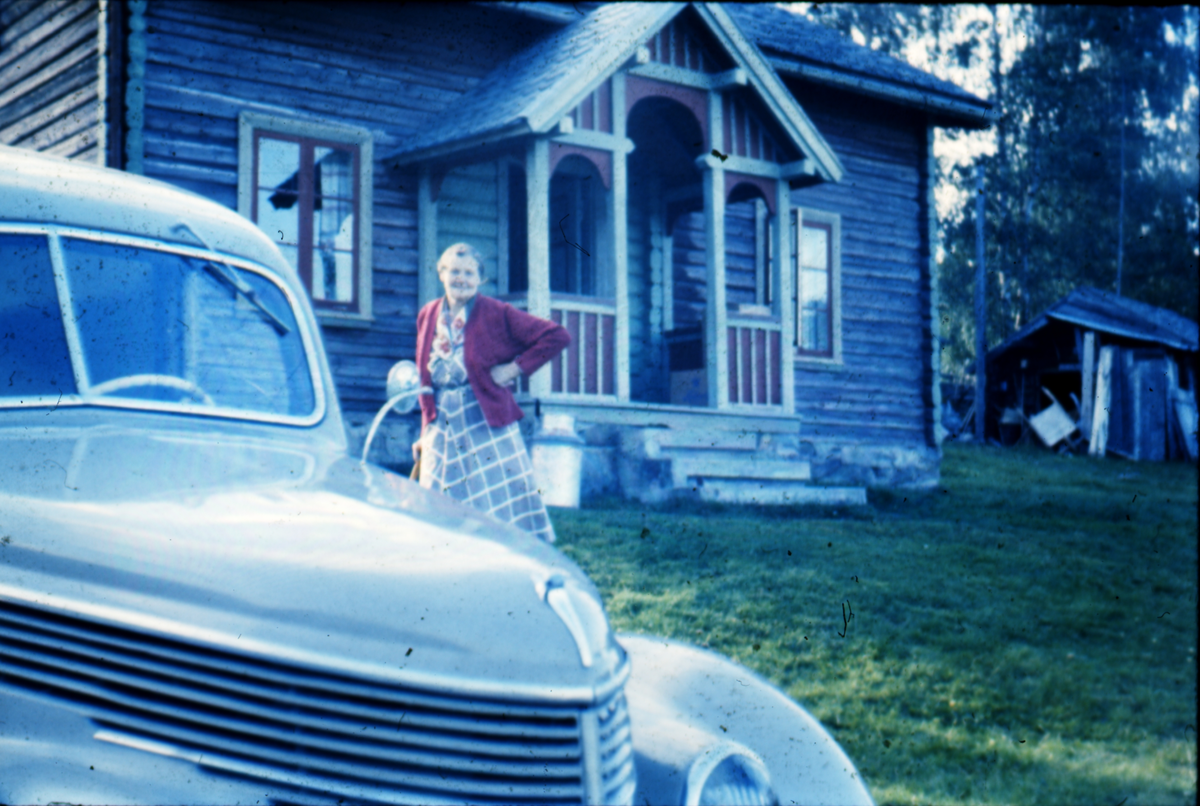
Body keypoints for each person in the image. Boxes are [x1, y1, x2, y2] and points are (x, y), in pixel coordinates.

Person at [413, 243, 570, 542]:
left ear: (480, 279)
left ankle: (509, 551)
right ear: (441, 274)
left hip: (482, 414)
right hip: (442, 420)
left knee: (496, 495)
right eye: (454, 271)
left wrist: (513, 369)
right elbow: (424, 378)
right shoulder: (427, 314)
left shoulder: (496, 312)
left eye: (469, 273)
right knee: (436, 496)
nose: (461, 279)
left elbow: (556, 336)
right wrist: (424, 431)